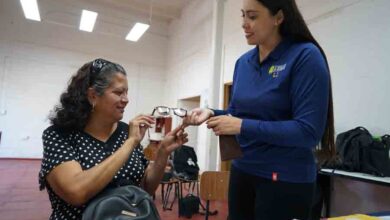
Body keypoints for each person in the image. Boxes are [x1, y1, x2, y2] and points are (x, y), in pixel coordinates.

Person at [184, 0, 335, 219]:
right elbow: (236, 112)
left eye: (253, 17)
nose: (244, 24)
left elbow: (308, 132)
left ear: (278, 17)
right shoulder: (243, 63)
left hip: (285, 178)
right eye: (243, 15)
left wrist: (241, 126)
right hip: (242, 170)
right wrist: (213, 113)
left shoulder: (305, 56)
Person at [38, 58, 188, 220]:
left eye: (127, 92)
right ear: (93, 96)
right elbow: (76, 192)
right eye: (118, 92)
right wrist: (130, 143)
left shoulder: (126, 132)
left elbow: (145, 188)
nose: (126, 99)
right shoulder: (60, 135)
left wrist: (163, 153)